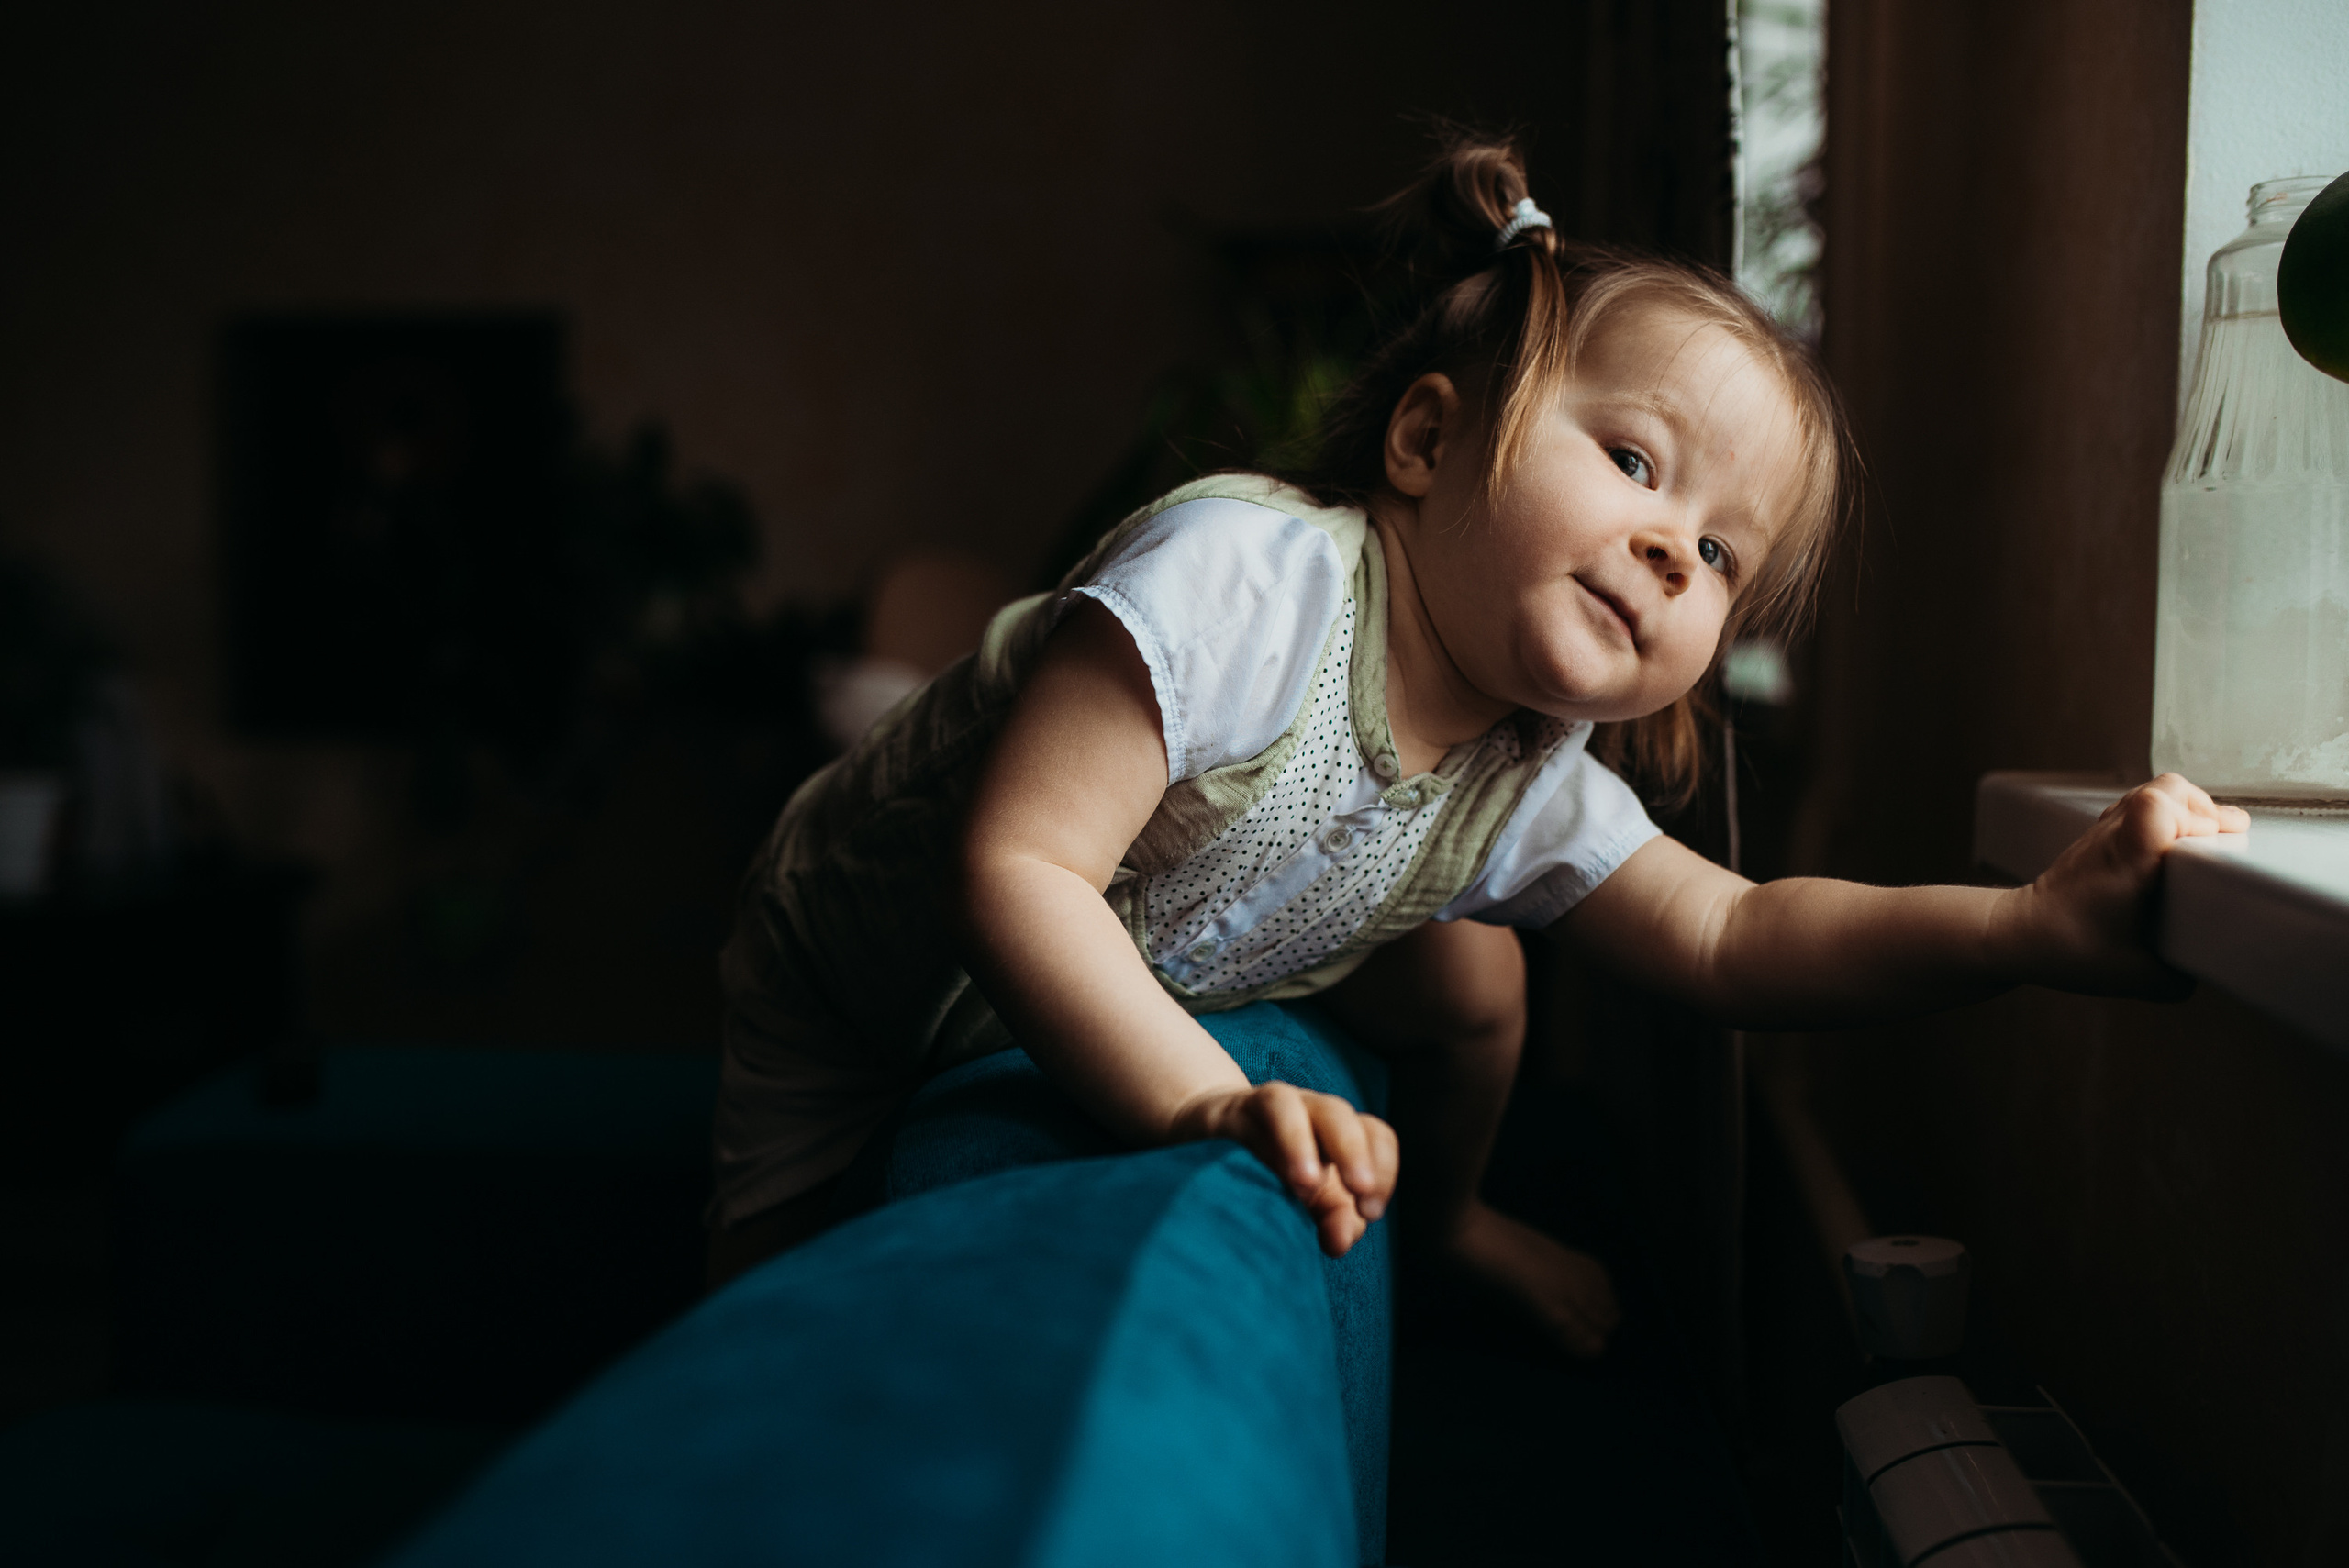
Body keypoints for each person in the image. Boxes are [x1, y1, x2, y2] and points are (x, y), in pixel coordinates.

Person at [705, 133, 2247, 1355]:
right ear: (1428, 441)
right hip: (861, 969)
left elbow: (1737, 934)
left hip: (1174, 927)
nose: (1668, 549)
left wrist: (2036, 926)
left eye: (1722, 556)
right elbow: (1020, 867)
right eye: (1636, 462)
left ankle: (1446, 1217)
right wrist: (1202, 1104)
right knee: (763, 1331)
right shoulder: (1250, 580)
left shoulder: (1525, 771)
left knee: (1474, 971)